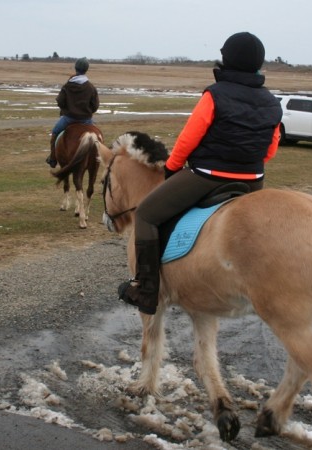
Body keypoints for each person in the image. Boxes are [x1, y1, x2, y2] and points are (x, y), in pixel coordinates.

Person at [118, 31, 283, 315]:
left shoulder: (214, 95)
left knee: (145, 213)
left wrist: (171, 168)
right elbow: (270, 150)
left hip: (208, 176)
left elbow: (189, 138)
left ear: (226, 59)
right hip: (254, 181)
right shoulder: (271, 102)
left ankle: (145, 290)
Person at [46, 57, 99, 168]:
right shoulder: (91, 87)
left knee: (55, 133)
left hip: (68, 118)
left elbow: (60, 101)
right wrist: (87, 112)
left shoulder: (68, 85)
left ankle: (53, 158)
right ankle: (97, 158)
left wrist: (66, 110)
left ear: (76, 68)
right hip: (86, 120)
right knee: (98, 137)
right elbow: (95, 106)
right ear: (86, 70)